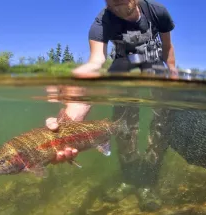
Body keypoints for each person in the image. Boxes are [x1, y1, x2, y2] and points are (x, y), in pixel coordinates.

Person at [46, 0, 177, 208]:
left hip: (153, 61)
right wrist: (70, 121)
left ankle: (147, 183)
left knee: (162, 120)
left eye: (120, 3)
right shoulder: (102, 20)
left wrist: (173, 72)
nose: (114, 8)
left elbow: (168, 47)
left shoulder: (157, 11)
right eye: (110, 4)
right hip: (122, 63)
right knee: (123, 123)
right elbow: (96, 61)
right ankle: (128, 178)